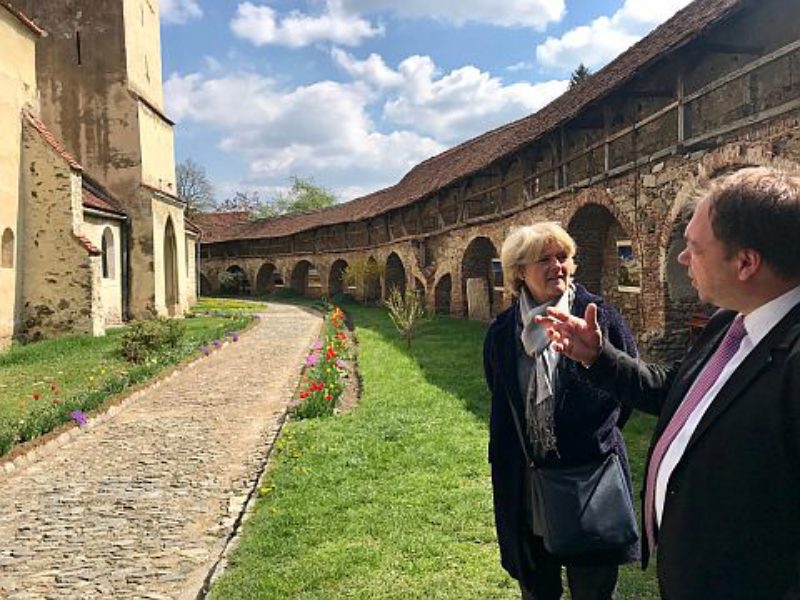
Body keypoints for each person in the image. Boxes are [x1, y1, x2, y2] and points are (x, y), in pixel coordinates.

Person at [536, 167, 800, 599]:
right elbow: (676, 391)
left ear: (746, 262)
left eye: (694, 247)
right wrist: (599, 358)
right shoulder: (730, 324)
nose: (681, 257)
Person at [482, 222, 639, 600]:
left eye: (563, 257)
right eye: (544, 259)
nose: (558, 266)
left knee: (594, 591)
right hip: (526, 482)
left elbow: (628, 387)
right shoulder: (503, 331)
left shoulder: (597, 316)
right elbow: (501, 394)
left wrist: (588, 436)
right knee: (537, 590)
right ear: (520, 271)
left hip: (588, 479)